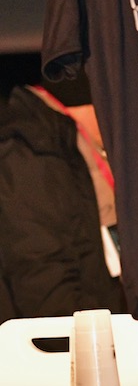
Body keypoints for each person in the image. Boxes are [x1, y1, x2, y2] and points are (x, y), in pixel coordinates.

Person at [0, 73, 125, 323]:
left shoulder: (58, 145)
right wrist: (105, 344)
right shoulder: (32, 149)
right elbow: (43, 283)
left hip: (88, 339)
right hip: (64, 350)